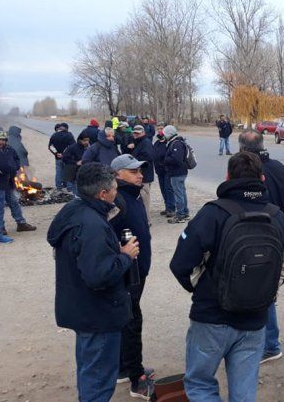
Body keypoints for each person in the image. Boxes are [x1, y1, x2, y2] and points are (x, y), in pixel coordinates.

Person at [170, 152, 284, 402]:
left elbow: (180, 264)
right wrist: (263, 288)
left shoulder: (212, 213)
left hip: (211, 316)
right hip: (256, 318)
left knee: (200, 384)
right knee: (244, 392)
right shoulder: (277, 216)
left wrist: (202, 288)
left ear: (227, 177)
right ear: (262, 178)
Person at [47, 162, 140, 402]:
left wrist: (113, 253)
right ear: (102, 194)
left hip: (85, 310)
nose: (116, 192)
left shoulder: (76, 210)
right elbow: (99, 275)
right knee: (98, 380)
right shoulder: (92, 225)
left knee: (90, 372)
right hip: (99, 314)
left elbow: (88, 260)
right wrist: (125, 256)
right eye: (114, 189)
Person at [238, 130, 284, 363]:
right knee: (268, 287)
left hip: (254, 235)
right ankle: (267, 340)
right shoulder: (280, 167)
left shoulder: (245, 171)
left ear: (242, 148)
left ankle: (269, 343)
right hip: (277, 230)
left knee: (257, 289)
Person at [108, 155, 156, 399]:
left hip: (138, 270)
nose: (140, 175)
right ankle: (137, 379)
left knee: (128, 318)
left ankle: (123, 367)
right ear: (117, 175)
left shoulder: (135, 195)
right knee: (131, 320)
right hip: (128, 273)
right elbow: (105, 238)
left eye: (140, 170)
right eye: (133, 171)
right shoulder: (117, 201)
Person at [0, 131, 37, 233]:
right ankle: (0, 227)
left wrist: (14, 168)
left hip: (8, 183)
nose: (1, 142)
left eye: (3, 140)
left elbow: (17, 160)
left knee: (14, 203)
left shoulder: (10, 149)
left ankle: (21, 223)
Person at [163, 125, 189, 223]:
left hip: (177, 172)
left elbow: (177, 159)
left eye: (165, 134)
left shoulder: (176, 143)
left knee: (178, 194)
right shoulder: (175, 142)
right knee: (182, 192)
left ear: (169, 134)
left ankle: (180, 215)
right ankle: (185, 212)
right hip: (180, 172)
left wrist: (166, 159)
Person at [130, 126, 155, 217]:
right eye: (134, 133)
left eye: (138, 133)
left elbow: (149, 157)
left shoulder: (146, 142)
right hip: (141, 175)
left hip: (144, 175)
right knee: (141, 199)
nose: (136, 134)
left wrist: (134, 160)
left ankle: (146, 220)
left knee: (144, 199)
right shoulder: (139, 142)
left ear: (143, 133)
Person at [153, 129, 175, 218]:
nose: (159, 132)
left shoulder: (168, 144)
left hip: (167, 170)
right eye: (158, 129)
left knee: (168, 189)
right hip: (159, 170)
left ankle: (171, 208)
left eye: (161, 129)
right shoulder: (157, 143)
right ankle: (167, 207)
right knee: (163, 189)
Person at [48, 123, 76, 189]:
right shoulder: (69, 135)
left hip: (58, 158)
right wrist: (63, 154)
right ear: (66, 128)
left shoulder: (54, 135)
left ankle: (59, 186)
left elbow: (50, 146)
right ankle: (69, 187)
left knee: (59, 171)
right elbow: (72, 147)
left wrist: (56, 153)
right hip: (67, 158)